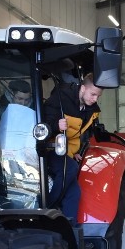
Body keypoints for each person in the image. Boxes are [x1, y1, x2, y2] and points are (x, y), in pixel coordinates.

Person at [42, 74, 103, 223]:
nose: (95, 99)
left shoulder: (91, 111)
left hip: (66, 152)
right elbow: (42, 126)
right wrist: (56, 126)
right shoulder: (61, 98)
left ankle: (72, 232)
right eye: (93, 94)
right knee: (70, 168)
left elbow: (78, 134)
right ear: (82, 88)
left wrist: (75, 151)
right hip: (50, 149)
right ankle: (48, 207)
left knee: (74, 193)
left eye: (98, 96)